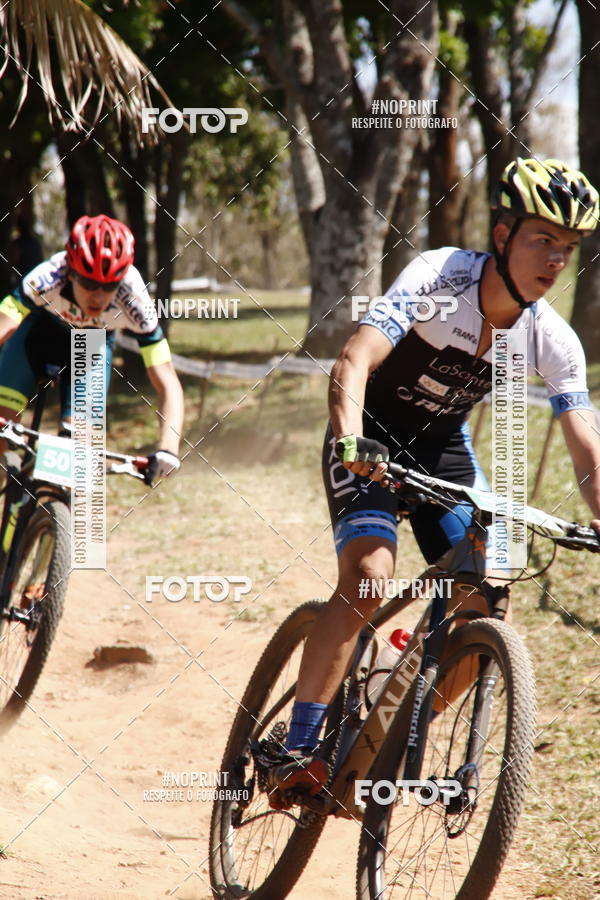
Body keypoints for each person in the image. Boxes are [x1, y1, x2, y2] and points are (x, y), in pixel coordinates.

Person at [263, 157, 600, 805]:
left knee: (489, 596)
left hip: (442, 452)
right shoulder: (442, 276)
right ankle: (298, 750)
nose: (556, 259)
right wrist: (349, 440)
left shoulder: (552, 339)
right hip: (370, 435)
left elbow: (585, 443)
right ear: (502, 235)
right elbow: (354, 359)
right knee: (369, 576)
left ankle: (387, 734)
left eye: (568, 247)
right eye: (542, 239)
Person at [0, 214, 184, 484]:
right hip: (36, 336)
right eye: (88, 284)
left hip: (90, 348)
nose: (98, 296)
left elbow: (167, 381)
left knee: (77, 454)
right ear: (71, 272)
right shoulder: (49, 276)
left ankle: (52, 505)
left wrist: (169, 448)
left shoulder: (134, 299)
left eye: (109, 286)